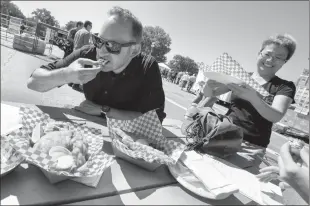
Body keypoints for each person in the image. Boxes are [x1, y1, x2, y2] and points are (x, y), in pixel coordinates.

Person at [27, 6, 166, 123]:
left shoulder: (147, 67)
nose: (102, 50)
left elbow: (155, 119)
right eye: (99, 40)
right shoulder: (88, 54)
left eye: (113, 45)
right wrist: (66, 75)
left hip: (130, 136)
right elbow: (32, 82)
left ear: (134, 50)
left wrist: (104, 110)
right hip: (89, 127)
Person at [186, 34, 297, 149]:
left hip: (251, 146)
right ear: (259, 53)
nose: (270, 60)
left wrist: (253, 97)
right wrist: (210, 83)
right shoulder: (242, 77)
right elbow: (210, 93)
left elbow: (276, 116)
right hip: (221, 133)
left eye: (278, 57)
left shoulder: (285, 86)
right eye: (267, 54)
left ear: (285, 61)